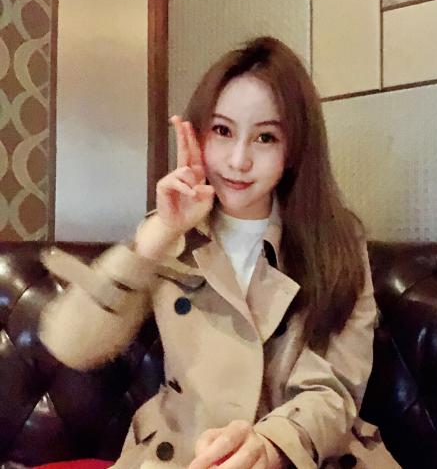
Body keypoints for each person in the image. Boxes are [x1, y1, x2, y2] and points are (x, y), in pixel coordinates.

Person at [39, 36, 400, 468]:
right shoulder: (169, 233)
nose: (238, 160)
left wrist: (269, 447)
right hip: (182, 451)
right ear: (197, 133)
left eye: (265, 137)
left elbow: (333, 389)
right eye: (223, 131)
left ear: (294, 149)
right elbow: (73, 345)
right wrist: (158, 235)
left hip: (300, 452)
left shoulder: (335, 240)